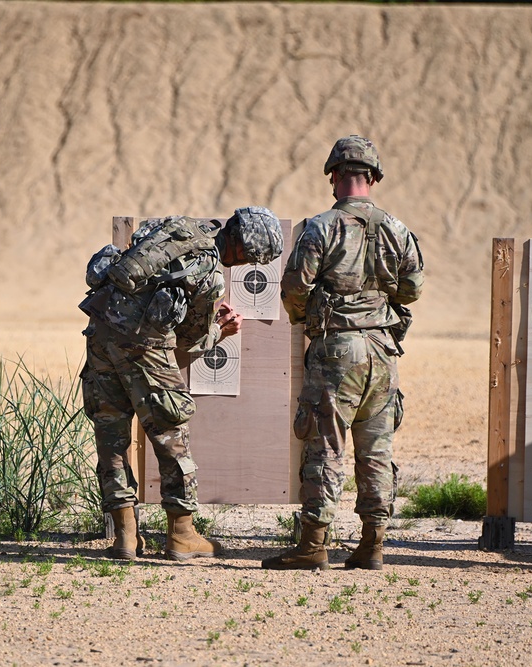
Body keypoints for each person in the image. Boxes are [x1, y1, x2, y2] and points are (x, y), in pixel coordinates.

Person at [79, 207, 284, 561]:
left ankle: (126, 536)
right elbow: (189, 340)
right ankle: (182, 535)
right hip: (145, 347)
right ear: (241, 248)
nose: (246, 264)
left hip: (100, 333)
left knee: (111, 436)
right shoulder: (210, 272)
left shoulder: (180, 228)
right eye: (250, 258)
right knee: (172, 435)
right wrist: (221, 330)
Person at [262, 135, 424, 571]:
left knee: (325, 447)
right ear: (372, 177)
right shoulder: (397, 228)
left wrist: (307, 318)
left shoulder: (322, 227)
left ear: (334, 176)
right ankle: (373, 543)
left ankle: (313, 544)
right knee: (376, 450)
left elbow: (296, 288)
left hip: (338, 350)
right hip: (384, 350)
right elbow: (413, 289)